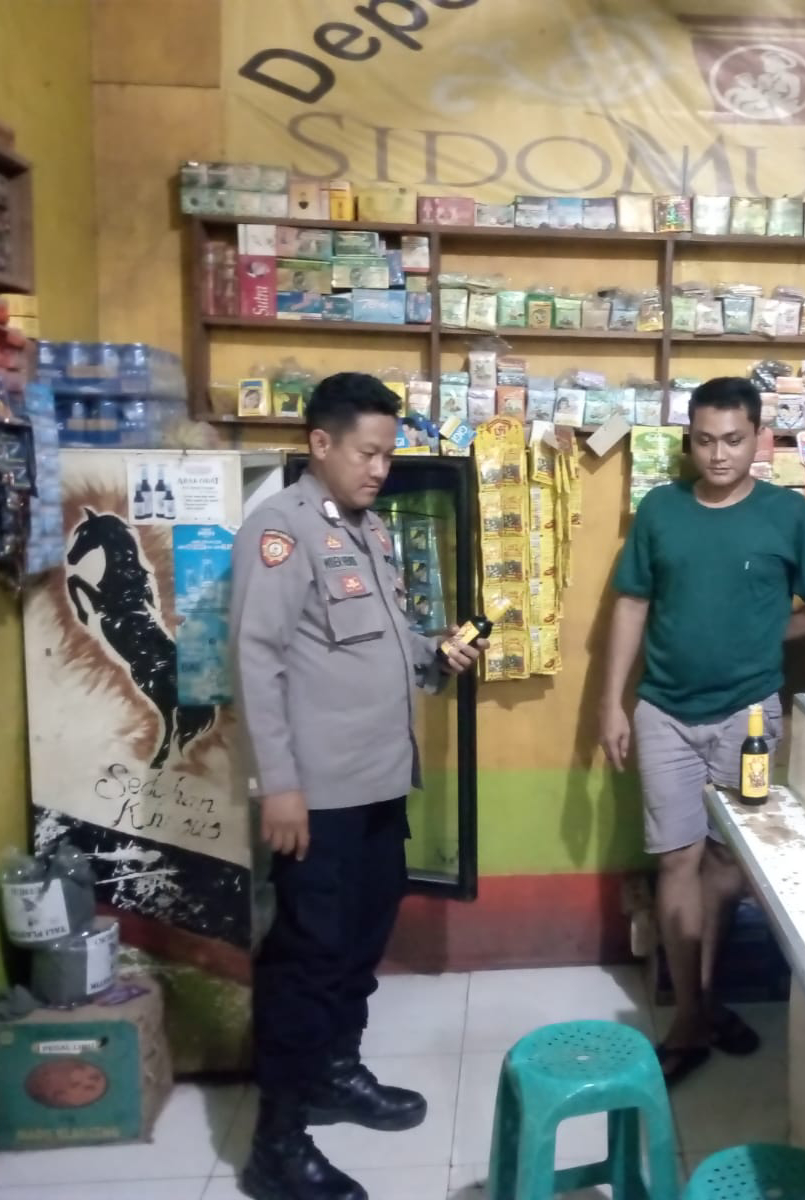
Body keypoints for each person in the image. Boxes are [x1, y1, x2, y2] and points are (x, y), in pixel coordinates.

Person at [230, 372, 483, 1200]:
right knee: (307, 960)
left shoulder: (366, 530)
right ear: (321, 444)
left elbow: (385, 638)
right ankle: (277, 1143)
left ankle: (335, 1073)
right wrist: (277, 785)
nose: (380, 469)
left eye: (387, 454)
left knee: (359, 946)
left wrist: (434, 653)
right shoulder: (279, 531)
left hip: (378, 781)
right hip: (317, 796)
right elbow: (256, 660)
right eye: (368, 453)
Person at [598, 376, 805, 1084]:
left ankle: (707, 1001)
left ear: (759, 439)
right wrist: (609, 704)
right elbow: (631, 605)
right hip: (664, 712)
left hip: (749, 717)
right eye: (704, 441)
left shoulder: (787, 515)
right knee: (676, 859)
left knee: (730, 862)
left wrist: (766, 637)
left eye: (733, 440)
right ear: (689, 441)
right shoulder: (661, 509)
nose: (718, 455)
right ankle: (689, 1014)